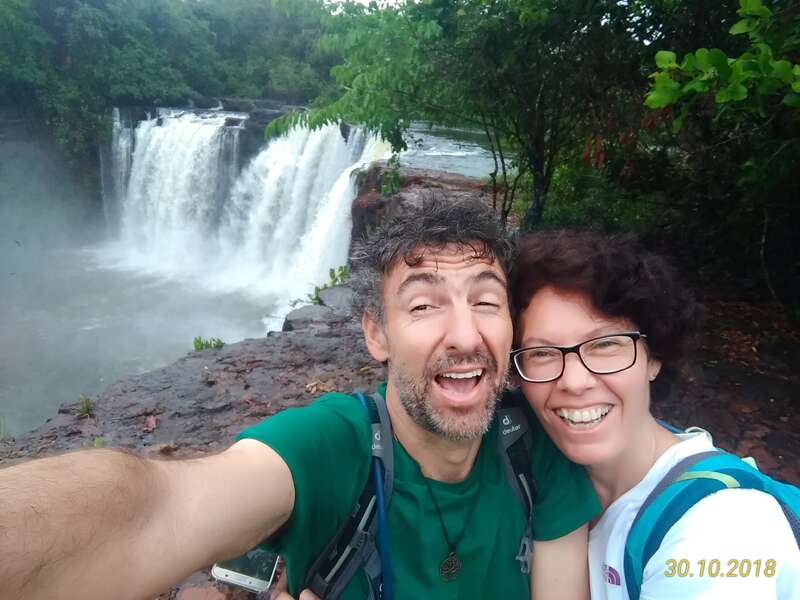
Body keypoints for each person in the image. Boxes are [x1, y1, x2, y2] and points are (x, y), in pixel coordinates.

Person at [0, 198, 600, 600]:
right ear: (375, 333)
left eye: (487, 302)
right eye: (423, 305)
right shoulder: (331, 446)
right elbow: (155, 509)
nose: (466, 336)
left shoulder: (534, 454)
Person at [508, 230, 800, 599]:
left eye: (606, 345)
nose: (574, 381)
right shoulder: (527, 467)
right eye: (543, 353)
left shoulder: (723, 532)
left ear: (655, 357)